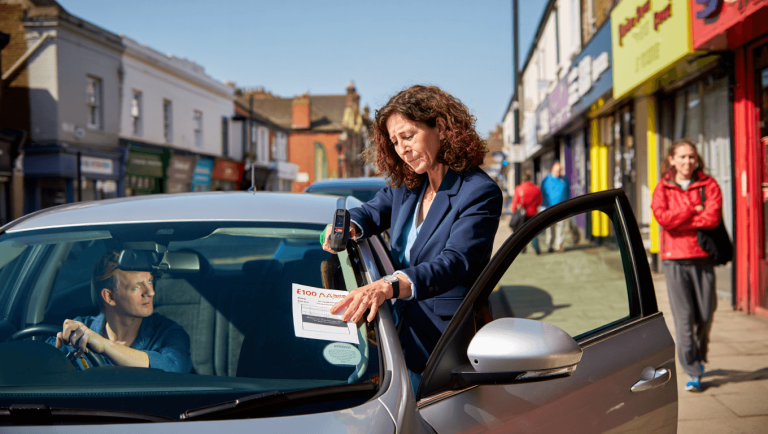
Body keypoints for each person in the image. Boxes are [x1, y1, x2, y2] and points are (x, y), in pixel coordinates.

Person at [322, 85, 503, 387]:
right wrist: (348, 225)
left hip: (441, 347)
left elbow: (455, 262)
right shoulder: (408, 186)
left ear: (442, 128)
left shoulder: (478, 192)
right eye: (394, 142)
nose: (402, 149)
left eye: (408, 136)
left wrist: (388, 285)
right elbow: (371, 212)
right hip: (395, 338)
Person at [651, 138, 722, 393]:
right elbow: (663, 219)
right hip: (674, 260)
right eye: (682, 157)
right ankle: (693, 371)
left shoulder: (708, 184)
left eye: (691, 157)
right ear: (672, 159)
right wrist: (693, 208)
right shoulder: (663, 187)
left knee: (706, 314)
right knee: (684, 319)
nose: (687, 162)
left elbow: (711, 218)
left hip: (702, 257)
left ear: (696, 159)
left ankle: (699, 354)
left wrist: (681, 219)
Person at [48, 250, 193, 373]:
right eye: (137, 287)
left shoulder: (168, 333)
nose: (151, 292)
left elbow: (175, 367)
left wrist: (103, 345)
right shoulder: (79, 332)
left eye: (149, 281)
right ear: (109, 296)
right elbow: (38, 364)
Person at [540, 162, 570, 252]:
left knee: (561, 228)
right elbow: (542, 193)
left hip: (562, 207)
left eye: (560, 170)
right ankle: (549, 245)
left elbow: (568, 192)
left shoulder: (565, 180)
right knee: (550, 229)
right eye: (557, 170)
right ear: (552, 170)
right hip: (550, 208)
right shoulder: (546, 180)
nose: (559, 172)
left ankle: (558, 246)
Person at [511, 170, 542, 254]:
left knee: (522, 233)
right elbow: (540, 201)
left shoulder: (519, 188)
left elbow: (514, 204)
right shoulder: (535, 188)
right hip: (533, 214)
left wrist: (514, 211)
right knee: (533, 232)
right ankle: (537, 249)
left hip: (522, 215)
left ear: (522, 179)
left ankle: (523, 249)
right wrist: (534, 207)